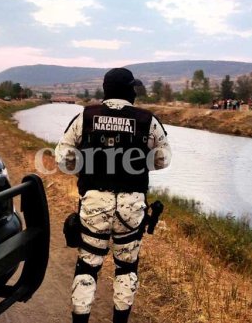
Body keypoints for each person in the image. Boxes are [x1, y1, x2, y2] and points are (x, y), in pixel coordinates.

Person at [55, 68, 172, 323]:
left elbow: (63, 158)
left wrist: (88, 165)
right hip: (132, 204)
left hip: (95, 201)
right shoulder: (147, 120)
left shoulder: (85, 116)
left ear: (106, 90)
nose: (135, 92)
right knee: (126, 268)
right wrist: (137, 163)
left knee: (88, 266)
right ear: (129, 91)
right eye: (134, 88)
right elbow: (163, 160)